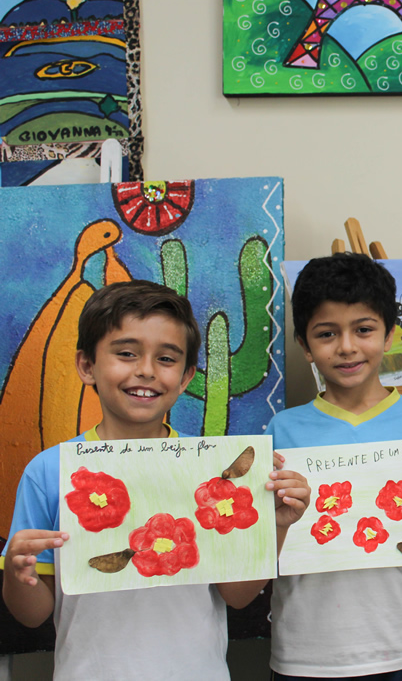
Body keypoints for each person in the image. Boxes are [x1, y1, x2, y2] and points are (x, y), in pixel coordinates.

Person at [1, 279, 310, 680]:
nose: (146, 371)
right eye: (126, 354)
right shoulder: (49, 471)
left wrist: (274, 525)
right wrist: (16, 572)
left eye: (166, 359)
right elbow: (32, 614)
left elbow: (238, 596)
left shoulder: (212, 471)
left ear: (185, 378)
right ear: (87, 365)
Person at [266, 253, 402, 681]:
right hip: (304, 655)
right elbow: (263, 547)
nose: (346, 347)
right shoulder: (282, 430)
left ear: (388, 336)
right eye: (326, 334)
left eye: (363, 330)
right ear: (305, 346)